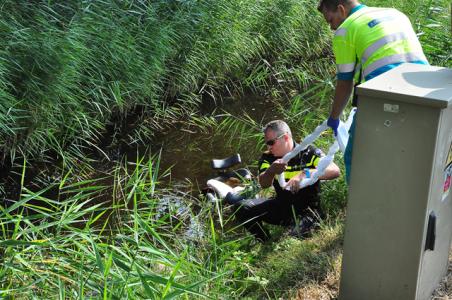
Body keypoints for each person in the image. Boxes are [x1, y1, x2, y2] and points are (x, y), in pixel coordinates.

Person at [318, 0, 429, 182]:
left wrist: (334, 117)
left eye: (330, 20)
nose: (331, 27)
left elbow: (345, 84)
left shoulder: (345, 29)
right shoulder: (396, 13)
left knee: (356, 157)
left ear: (341, 9)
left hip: (387, 95)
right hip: (424, 95)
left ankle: (360, 207)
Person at [233, 120, 340, 241]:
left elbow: (335, 171)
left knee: (291, 238)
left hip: (308, 210)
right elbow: (264, 184)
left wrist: (304, 174)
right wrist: (271, 171)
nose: (268, 147)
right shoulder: (268, 157)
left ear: (285, 138)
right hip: (282, 207)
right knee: (242, 207)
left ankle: (301, 228)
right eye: (267, 143)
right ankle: (265, 241)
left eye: (271, 142)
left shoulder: (308, 152)